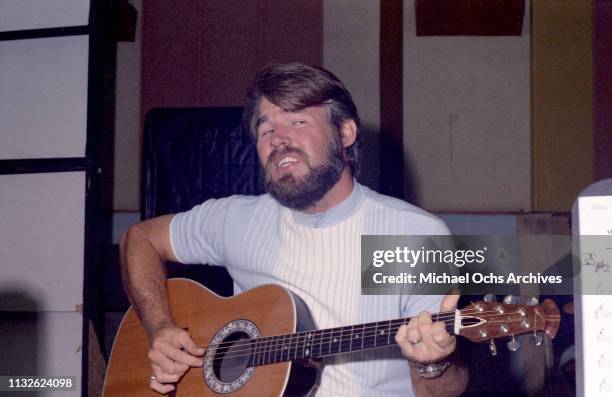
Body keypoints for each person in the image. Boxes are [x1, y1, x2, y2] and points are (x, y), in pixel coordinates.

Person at [120, 62, 468, 396]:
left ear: (345, 132)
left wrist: (433, 365)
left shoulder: (415, 235)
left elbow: (443, 390)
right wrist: (160, 327)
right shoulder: (235, 219)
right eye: (266, 129)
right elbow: (140, 238)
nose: (277, 139)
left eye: (297, 121)